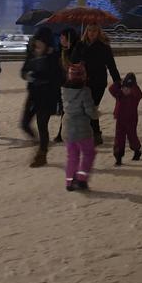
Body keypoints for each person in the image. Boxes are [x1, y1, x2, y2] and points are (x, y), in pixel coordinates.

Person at [20, 28, 62, 166]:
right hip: (33, 94)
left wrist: (39, 76)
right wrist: (27, 75)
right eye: (37, 41)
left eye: (41, 41)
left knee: (42, 125)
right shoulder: (32, 54)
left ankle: (41, 154)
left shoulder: (54, 57)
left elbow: (57, 78)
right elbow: (24, 70)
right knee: (24, 123)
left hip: (47, 96)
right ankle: (40, 143)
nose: (38, 44)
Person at [61, 35, 98, 191]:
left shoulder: (64, 91)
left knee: (72, 156)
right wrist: (96, 115)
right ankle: (82, 178)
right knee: (89, 153)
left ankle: (69, 181)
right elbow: (90, 111)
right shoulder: (85, 92)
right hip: (82, 130)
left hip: (68, 128)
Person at [75, 24, 121, 145]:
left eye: (94, 31)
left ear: (98, 32)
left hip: (98, 82)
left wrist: (117, 80)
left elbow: (111, 65)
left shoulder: (104, 47)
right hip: (84, 81)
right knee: (86, 108)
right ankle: (89, 133)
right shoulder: (80, 45)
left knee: (92, 107)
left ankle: (96, 134)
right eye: (90, 30)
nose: (92, 33)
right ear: (86, 31)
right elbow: (73, 60)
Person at [108, 72, 142, 165]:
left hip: (131, 120)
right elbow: (111, 89)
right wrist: (119, 82)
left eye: (128, 88)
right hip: (120, 120)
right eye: (124, 88)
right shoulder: (119, 95)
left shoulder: (135, 96)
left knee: (132, 137)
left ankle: (137, 150)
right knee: (119, 138)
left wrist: (133, 86)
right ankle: (118, 156)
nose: (125, 90)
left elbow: (140, 94)